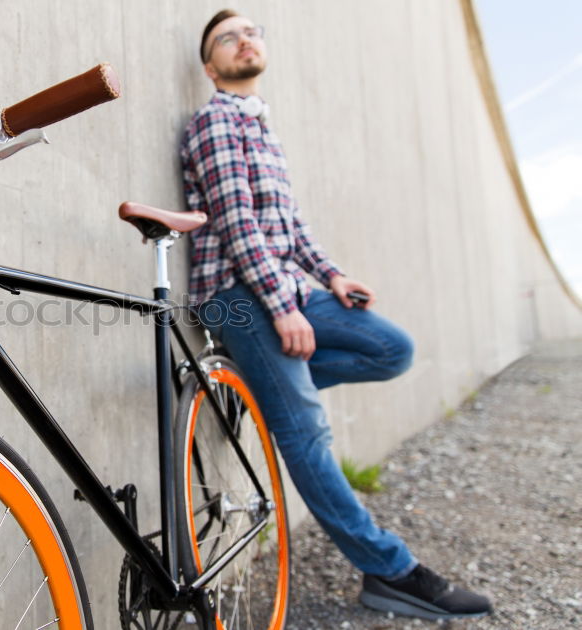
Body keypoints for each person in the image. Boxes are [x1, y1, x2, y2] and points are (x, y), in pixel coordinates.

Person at [180, 9, 492, 621]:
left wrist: (331, 277)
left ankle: (264, 389)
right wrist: (280, 306)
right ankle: (391, 571)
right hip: (236, 297)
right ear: (210, 64)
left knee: (390, 347)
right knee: (308, 434)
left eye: (253, 31)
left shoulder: (262, 128)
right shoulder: (214, 121)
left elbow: (289, 227)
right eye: (228, 37)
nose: (245, 40)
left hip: (281, 286)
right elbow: (239, 228)